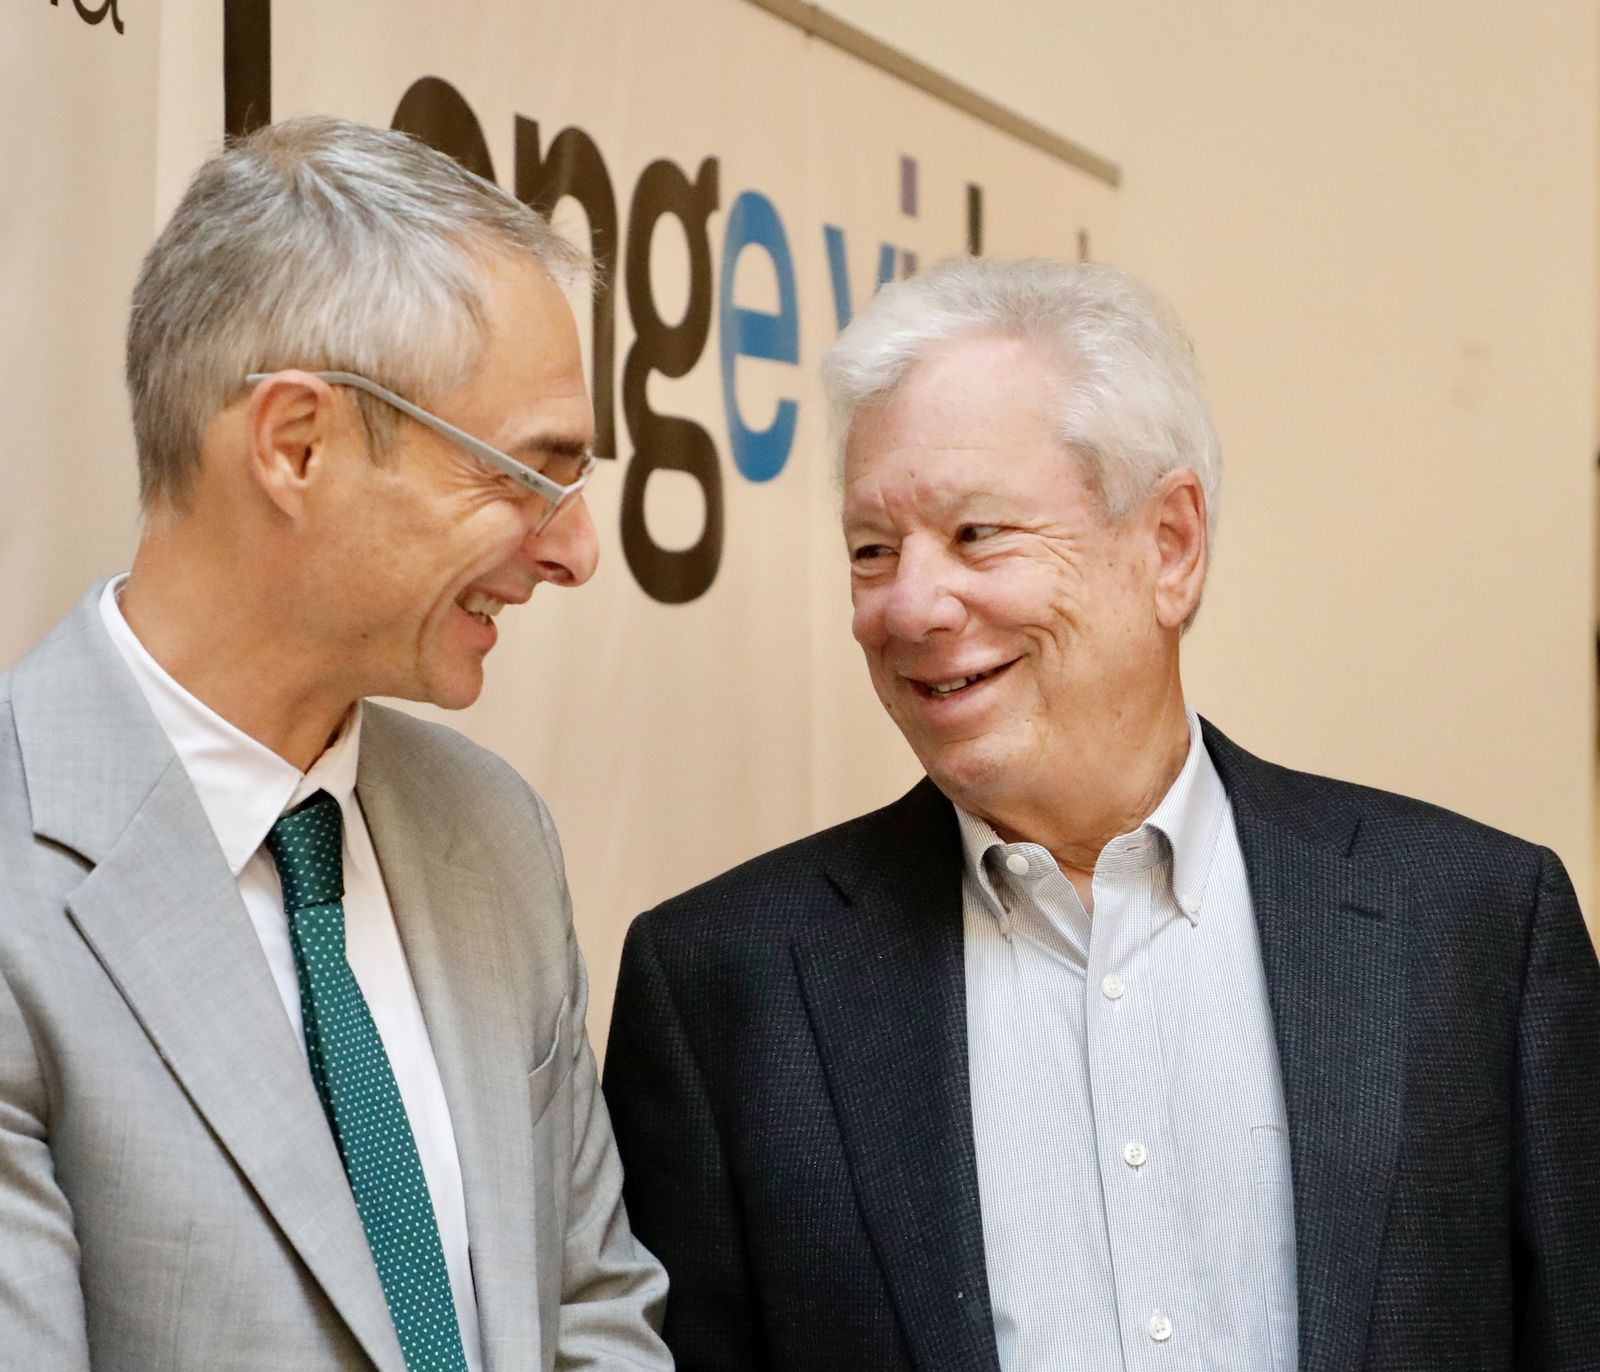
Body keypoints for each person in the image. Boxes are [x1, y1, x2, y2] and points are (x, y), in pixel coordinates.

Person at [604, 256, 1600, 1370]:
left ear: (1169, 545)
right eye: (871, 551)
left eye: (978, 533)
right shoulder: (721, 984)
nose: (911, 607)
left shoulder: (1476, 927)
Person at [0, 116, 670, 1371]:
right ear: (295, 444)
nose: (573, 550)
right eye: (526, 475)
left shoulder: (493, 837)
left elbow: (592, 1312)